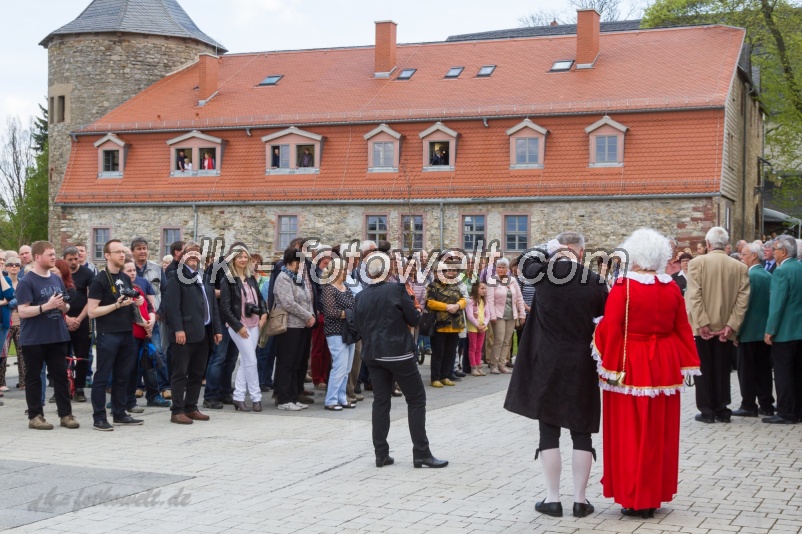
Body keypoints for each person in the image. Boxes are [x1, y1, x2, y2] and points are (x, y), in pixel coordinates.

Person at [593, 229, 700, 518]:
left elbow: (612, 328)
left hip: (630, 363)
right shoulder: (671, 287)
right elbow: (682, 327)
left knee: (630, 429)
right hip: (663, 364)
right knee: (659, 430)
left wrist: (601, 346)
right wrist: (687, 360)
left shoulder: (623, 287)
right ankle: (653, 493)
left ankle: (634, 495)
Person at [504, 231, 608, 519]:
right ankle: (580, 500)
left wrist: (546, 249)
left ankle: (552, 499)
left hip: (547, 361)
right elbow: (604, 324)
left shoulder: (543, 274)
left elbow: (524, 260)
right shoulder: (597, 282)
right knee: (581, 431)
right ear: (582, 252)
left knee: (548, 429)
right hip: (581, 362)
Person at [352, 251, 447, 469]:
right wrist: (414, 311)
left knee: (381, 402)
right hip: (398, 352)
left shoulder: (361, 296)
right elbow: (413, 319)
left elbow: (356, 325)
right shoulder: (396, 290)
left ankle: (381, 454)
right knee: (416, 400)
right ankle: (421, 452)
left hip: (374, 353)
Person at [685, 227, 749, 424]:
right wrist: (731, 325)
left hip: (701, 328)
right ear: (726, 244)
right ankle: (722, 408)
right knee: (722, 369)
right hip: (725, 328)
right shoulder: (739, 267)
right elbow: (742, 299)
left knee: (703, 369)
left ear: (708, 244)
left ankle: (707, 411)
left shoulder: (697, 263)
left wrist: (702, 322)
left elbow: (694, 295)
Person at [15, 241, 78, 430]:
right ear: (37, 257)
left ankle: (65, 414)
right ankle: (35, 416)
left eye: (54, 253)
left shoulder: (56, 279)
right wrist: (46, 306)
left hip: (57, 335)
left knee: (60, 376)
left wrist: (63, 307)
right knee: (33, 377)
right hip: (34, 338)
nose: (54, 257)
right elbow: (23, 311)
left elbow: (65, 306)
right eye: (50, 254)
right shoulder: (27, 281)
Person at [87, 239, 146, 431]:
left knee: (123, 376)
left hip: (126, 332)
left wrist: (137, 309)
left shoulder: (125, 278)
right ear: (107, 255)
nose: (122, 255)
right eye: (118, 252)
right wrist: (116, 305)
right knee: (103, 376)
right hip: (108, 334)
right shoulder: (99, 280)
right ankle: (99, 417)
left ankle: (120, 413)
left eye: (123, 251)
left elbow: (129, 303)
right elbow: (92, 311)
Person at [164, 242, 222, 424]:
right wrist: (178, 329)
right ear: (183, 256)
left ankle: (191, 407)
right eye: (190, 253)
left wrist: (216, 329)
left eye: (197, 253)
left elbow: (212, 305)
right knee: (180, 373)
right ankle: (177, 410)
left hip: (203, 332)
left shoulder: (204, 277)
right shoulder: (176, 276)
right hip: (184, 333)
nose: (194, 256)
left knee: (197, 372)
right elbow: (171, 306)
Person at [219, 244, 267, 412]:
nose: (243, 259)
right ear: (233, 259)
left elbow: (260, 299)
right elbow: (225, 308)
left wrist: (263, 313)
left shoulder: (251, 278)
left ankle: (238, 397)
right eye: (239, 256)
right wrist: (238, 326)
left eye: (245, 256)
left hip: (254, 324)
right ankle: (256, 398)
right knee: (251, 360)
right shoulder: (228, 280)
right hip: (238, 325)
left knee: (246, 361)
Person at [732, 242, 775, 418]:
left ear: (754, 256)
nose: (741, 257)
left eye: (743, 254)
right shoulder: (768, 275)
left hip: (749, 331)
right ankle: (766, 403)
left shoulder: (750, 276)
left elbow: (744, 306)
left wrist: (736, 331)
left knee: (746, 370)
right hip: (763, 331)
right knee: (763, 370)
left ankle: (748, 404)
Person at [763, 236, 802, 424]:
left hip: (785, 332)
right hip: (800, 331)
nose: (774, 252)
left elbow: (777, 304)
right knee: (798, 373)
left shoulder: (781, 271)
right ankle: (798, 411)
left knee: (783, 373)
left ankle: (786, 412)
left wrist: (770, 329)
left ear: (784, 252)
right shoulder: (801, 268)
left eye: (776, 249)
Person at [272, 246, 316, 410]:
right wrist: (308, 316)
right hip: (290, 326)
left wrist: (310, 315)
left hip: (302, 325)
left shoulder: (298, 278)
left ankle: (293, 395)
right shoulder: (283, 278)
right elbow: (288, 303)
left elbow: (308, 298)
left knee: (297, 362)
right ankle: (284, 399)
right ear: (292, 261)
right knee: (287, 362)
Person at [321, 258, 357, 411]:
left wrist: (347, 314)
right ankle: (331, 399)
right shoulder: (329, 289)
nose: (345, 272)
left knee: (347, 368)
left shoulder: (346, 287)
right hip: (335, 332)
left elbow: (355, 307)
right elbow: (330, 312)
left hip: (349, 331)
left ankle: (342, 398)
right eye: (343, 269)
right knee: (339, 366)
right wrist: (348, 313)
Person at [426, 259, 466, 388]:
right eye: (441, 271)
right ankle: (435, 377)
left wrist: (458, 305)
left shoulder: (454, 285)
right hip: (440, 324)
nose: (444, 273)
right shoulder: (433, 286)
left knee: (450, 352)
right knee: (438, 353)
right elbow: (430, 302)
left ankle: (445, 376)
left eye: (445, 271)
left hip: (454, 324)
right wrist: (447, 306)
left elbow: (464, 299)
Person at [486, 257, 526, 374]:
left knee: (507, 341)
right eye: (499, 267)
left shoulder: (513, 281)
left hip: (511, 314)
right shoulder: (492, 281)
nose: (501, 269)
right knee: (499, 340)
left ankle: (502, 364)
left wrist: (522, 313)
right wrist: (492, 315)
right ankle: (494, 364)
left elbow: (519, 298)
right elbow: (490, 300)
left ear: (507, 269)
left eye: (503, 267)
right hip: (499, 314)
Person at [5, 255, 25, 388]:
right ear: (6, 267)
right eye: (11, 264)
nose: (14, 267)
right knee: (3, 355)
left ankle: (24, 382)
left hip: (21, 323)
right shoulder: (3, 283)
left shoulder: (23, 283)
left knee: (23, 354)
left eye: (17, 265)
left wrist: (12, 302)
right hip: (6, 323)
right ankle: (1, 382)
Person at [465, 281, 489, 376]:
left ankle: (479, 365)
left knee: (479, 348)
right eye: (482, 288)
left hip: (482, 327)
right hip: (473, 328)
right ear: (476, 289)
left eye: (485, 288)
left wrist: (484, 324)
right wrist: (477, 325)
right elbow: (470, 315)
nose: (484, 290)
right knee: (473, 347)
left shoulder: (484, 301)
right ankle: (473, 367)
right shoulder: (471, 301)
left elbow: (488, 314)